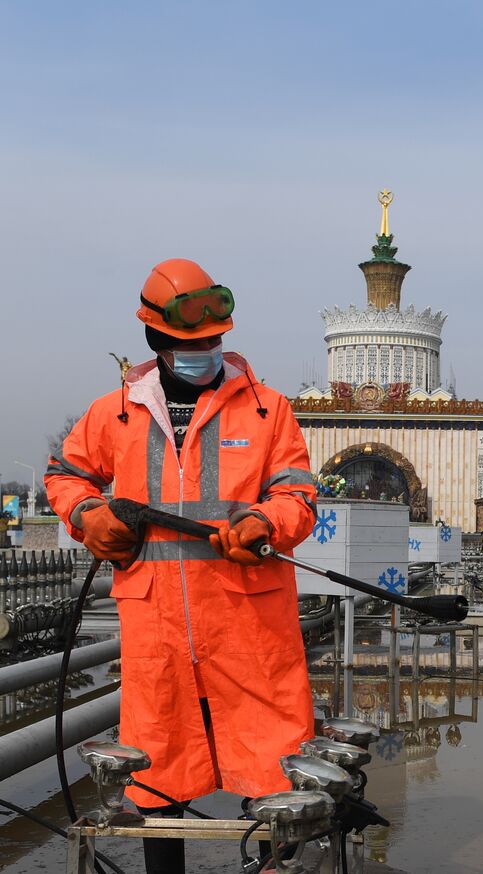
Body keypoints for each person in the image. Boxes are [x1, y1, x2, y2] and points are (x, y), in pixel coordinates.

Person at [45, 258, 317, 874]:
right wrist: (87, 514)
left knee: (273, 762)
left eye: (213, 341)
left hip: (249, 625)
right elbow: (66, 475)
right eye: (188, 344)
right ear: (156, 342)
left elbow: (298, 493)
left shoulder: (267, 410)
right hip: (157, 628)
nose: (203, 352)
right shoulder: (115, 411)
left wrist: (266, 523)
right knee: (159, 764)